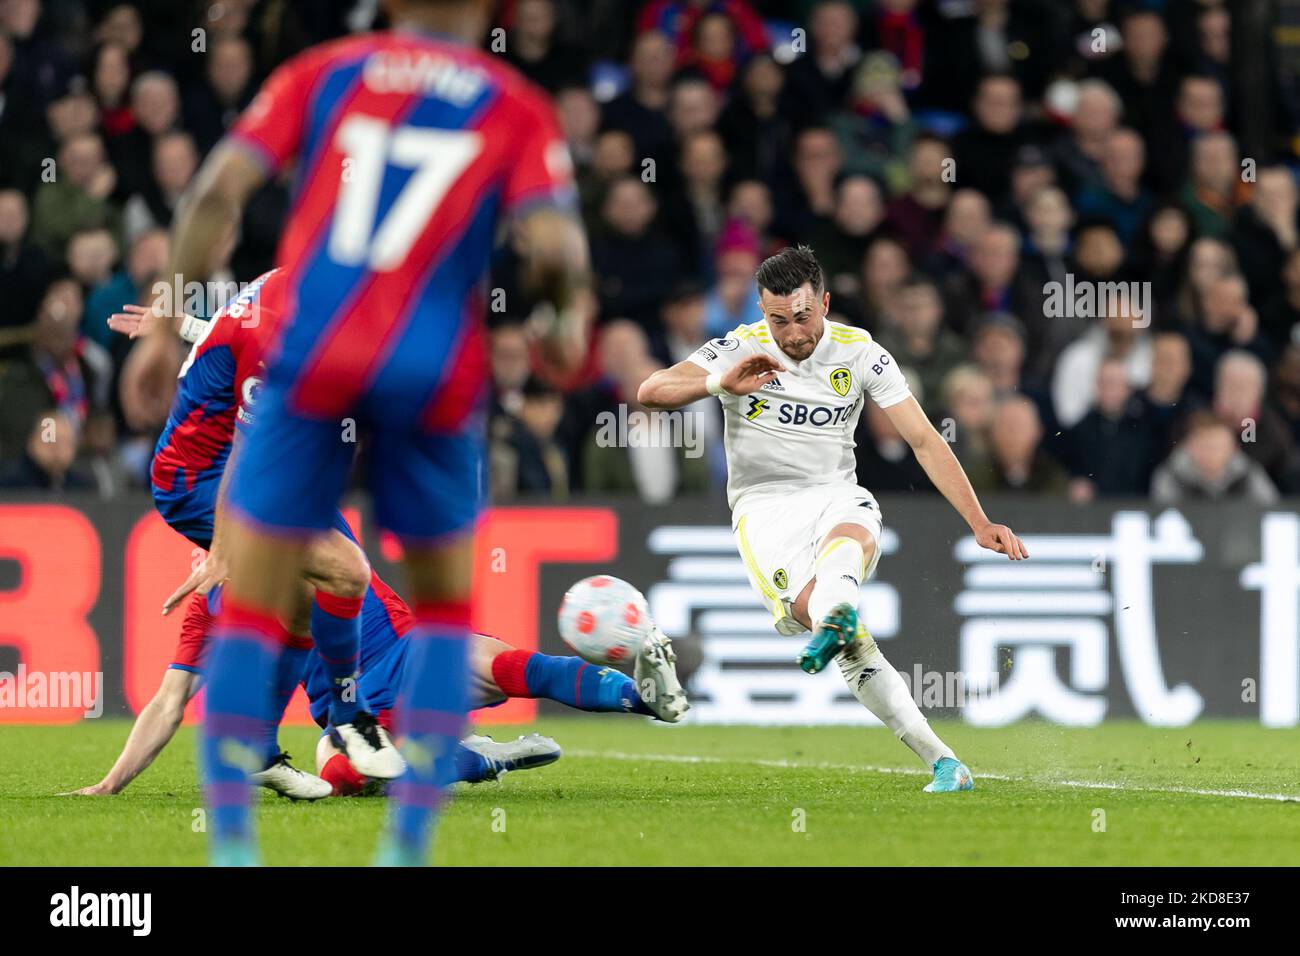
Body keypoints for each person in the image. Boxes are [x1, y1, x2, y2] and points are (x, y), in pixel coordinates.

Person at [121, 0, 592, 868]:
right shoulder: (513, 99)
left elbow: (215, 192)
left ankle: (235, 837)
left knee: (265, 596)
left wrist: (165, 327)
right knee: (441, 609)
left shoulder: (325, 72)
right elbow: (557, 245)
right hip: (432, 366)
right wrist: (570, 317)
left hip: (316, 356)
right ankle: (392, 821)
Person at [638, 245, 1027, 794]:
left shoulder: (860, 351)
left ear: (824, 302)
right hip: (764, 510)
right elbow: (649, 391)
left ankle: (837, 613)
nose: (792, 333)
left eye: (803, 317)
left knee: (850, 534)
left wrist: (979, 521)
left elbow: (922, 438)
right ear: (760, 309)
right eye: (778, 320)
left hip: (834, 492)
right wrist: (718, 384)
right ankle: (944, 760)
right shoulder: (737, 349)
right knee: (852, 646)